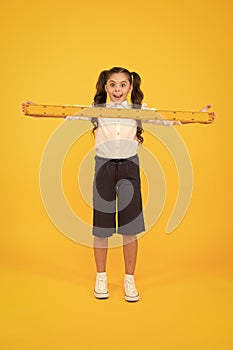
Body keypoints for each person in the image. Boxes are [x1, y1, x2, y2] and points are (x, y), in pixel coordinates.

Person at [22, 66, 215, 302]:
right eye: (112, 84)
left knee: (130, 229)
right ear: (105, 87)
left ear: (130, 87)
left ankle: (129, 280)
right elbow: (67, 114)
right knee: (101, 228)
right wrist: (36, 110)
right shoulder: (97, 110)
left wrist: (199, 116)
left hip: (129, 169)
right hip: (103, 168)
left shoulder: (139, 110)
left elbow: (167, 120)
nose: (117, 89)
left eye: (123, 85)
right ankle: (101, 277)